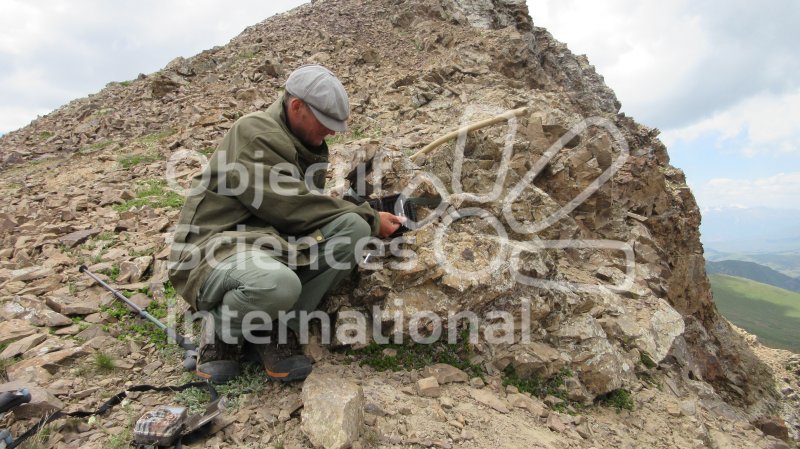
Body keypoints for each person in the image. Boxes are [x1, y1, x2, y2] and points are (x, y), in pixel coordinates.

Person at [168, 64, 405, 383]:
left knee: (355, 230)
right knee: (279, 284)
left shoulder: (304, 145)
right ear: (297, 107)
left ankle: (277, 328)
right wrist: (371, 215)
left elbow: (300, 210)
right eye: (325, 123)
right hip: (216, 247)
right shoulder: (255, 133)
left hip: (268, 243)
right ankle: (222, 330)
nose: (332, 133)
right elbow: (290, 208)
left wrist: (362, 216)